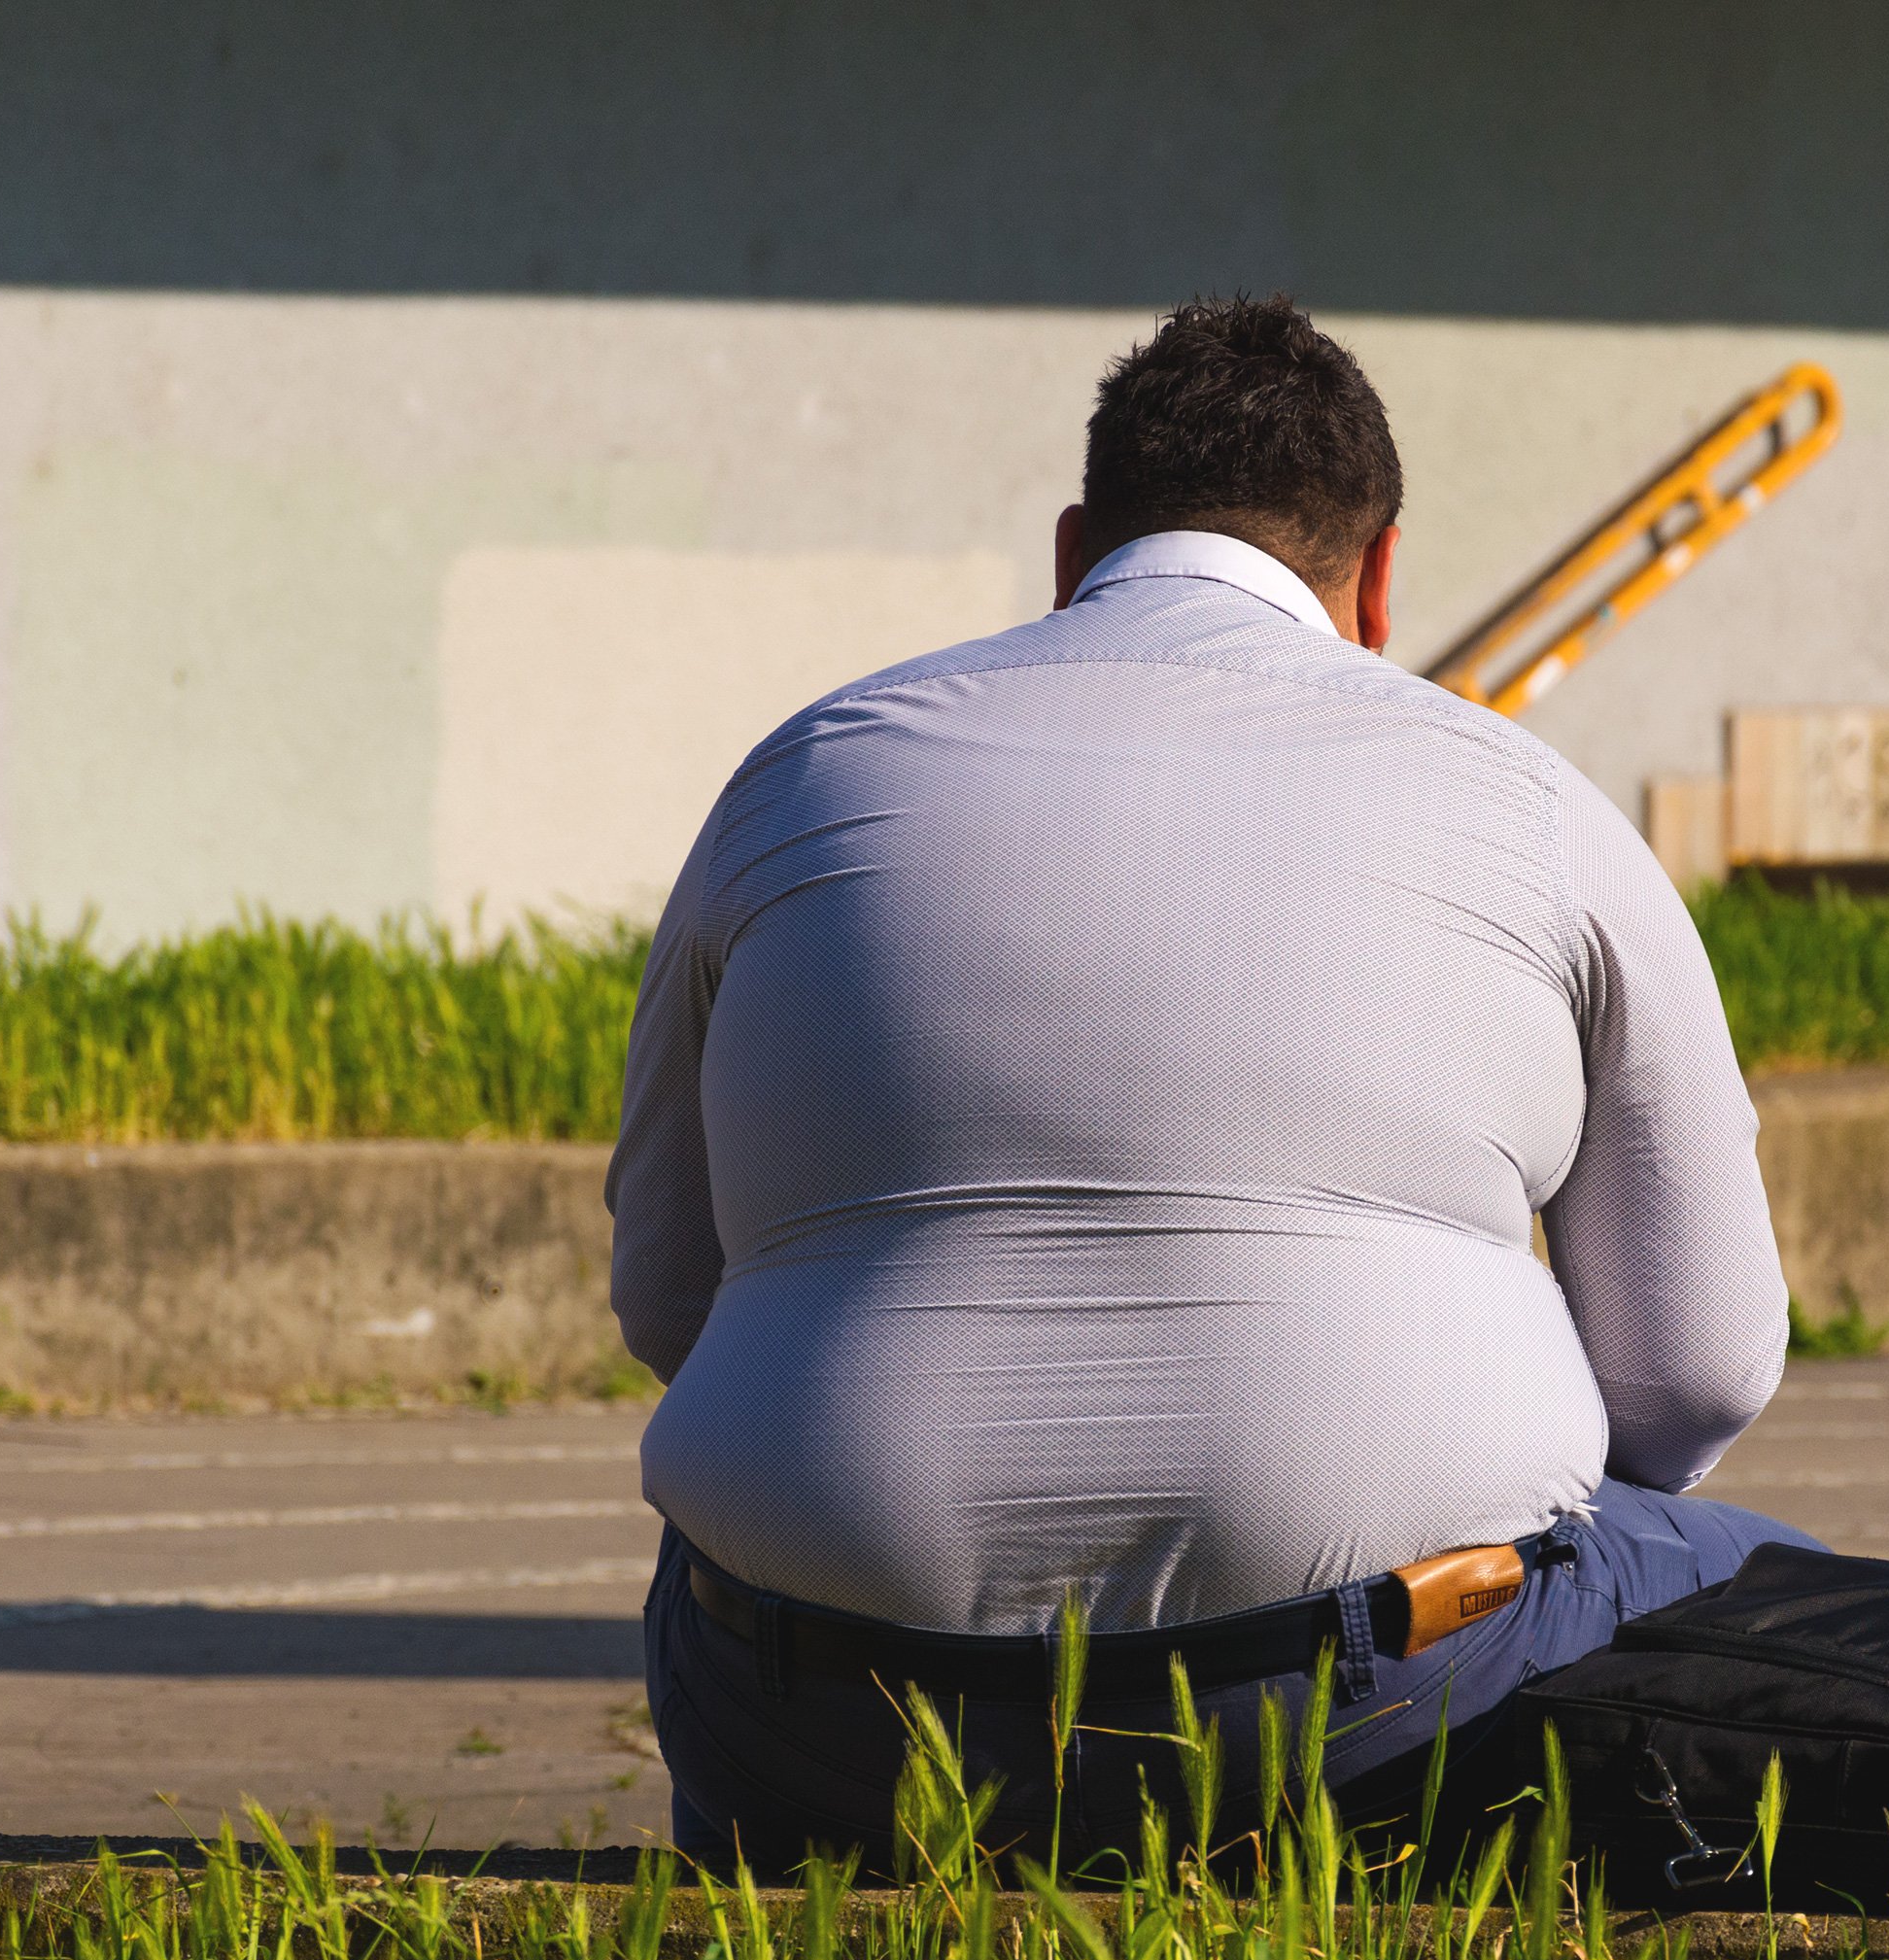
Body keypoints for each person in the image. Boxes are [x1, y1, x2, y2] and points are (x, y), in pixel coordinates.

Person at [609, 294, 1814, 1876]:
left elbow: (671, 1306)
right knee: (1751, 1586)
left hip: (828, 1702)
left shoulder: (805, 770)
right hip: (1367, 1691)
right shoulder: (1535, 809)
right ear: (1378, 578)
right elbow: (1701, 1375)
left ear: (1071, 551)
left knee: (711, 1580)